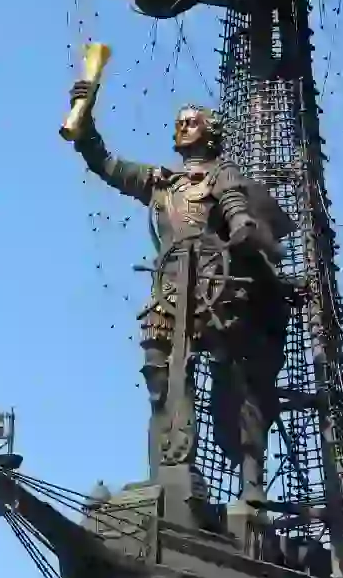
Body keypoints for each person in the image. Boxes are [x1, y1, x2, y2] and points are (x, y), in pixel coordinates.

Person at [67, 79, 295, 505]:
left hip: (218, 288)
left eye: (193, 122)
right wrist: (85, 116)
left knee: (236, 380)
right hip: (170, 290)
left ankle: (251, 480)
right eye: (179, 123)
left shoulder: (223, 176)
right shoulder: (161, 183)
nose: (184, 127)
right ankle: (168, 472)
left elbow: (234, 207)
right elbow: (106, 164)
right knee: (159, 372)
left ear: (210, 132)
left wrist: (244, 228)